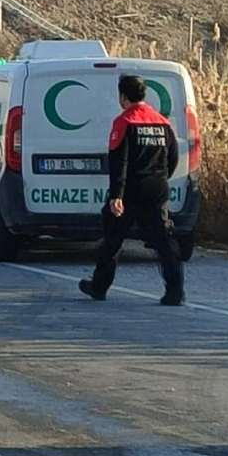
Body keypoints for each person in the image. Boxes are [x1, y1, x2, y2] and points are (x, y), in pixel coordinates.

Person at [80, 75, 185, 306]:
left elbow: (120, 161)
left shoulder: (124, 121)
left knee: (113, 240)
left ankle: (99, 287)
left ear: (123, 97)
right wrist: (160, 178)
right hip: (157, 188)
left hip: (130, 191)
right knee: (164, 242)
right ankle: (175, 291)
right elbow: (173, 158)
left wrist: (116, 195)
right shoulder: (162, 122)